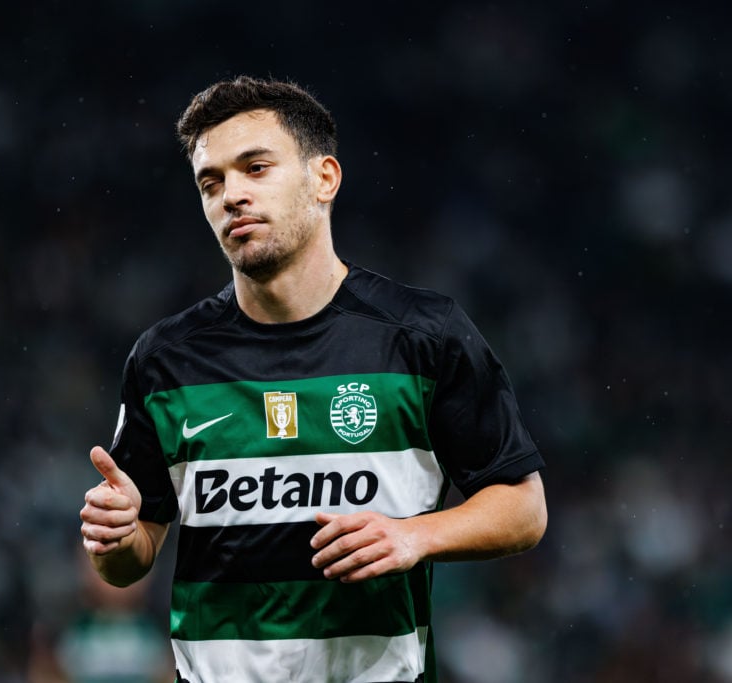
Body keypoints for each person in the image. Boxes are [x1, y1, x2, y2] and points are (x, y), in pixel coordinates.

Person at [79, 76, 547, 683]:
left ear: (323, 178)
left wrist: (416, 537)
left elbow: (523, 508)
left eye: (255, 168)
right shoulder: (165, 359)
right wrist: (117, 540)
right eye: (211, 182)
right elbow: (133, 557)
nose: (231, 197)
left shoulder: (423, 336)